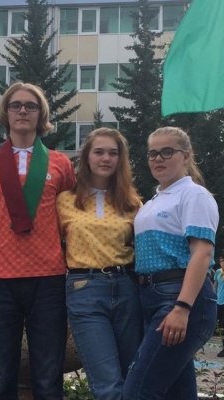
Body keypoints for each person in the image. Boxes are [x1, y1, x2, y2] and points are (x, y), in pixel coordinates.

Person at [0, 82, 76, 399]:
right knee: (1, 374)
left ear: (40, 114)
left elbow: (71, 216)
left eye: (30, 106)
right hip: (0, 278)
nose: (22, 111)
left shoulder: (61, 163)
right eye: (15, 105)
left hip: (48, 278)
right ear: (5, 112)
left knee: (48, 374)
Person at [123, 126, 219, 399]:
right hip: (152, 298)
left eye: (167, 152)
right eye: (152, 153)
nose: (158, 159)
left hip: (179, 298)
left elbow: (202, 254)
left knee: (138, 391)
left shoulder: (194, 195)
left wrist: (182, 308)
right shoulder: (153, 201)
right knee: (177, 394)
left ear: (186, 156)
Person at [56, 128, 142, 399]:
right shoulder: (65, 200)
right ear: (87, 157)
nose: (106, 158)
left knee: (134, 376)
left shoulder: (132, 203)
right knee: (107, 383)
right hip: (85, 289)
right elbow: (49, 243)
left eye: (113, 153)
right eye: (99, 152)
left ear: (120, 159)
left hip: (127, 287)